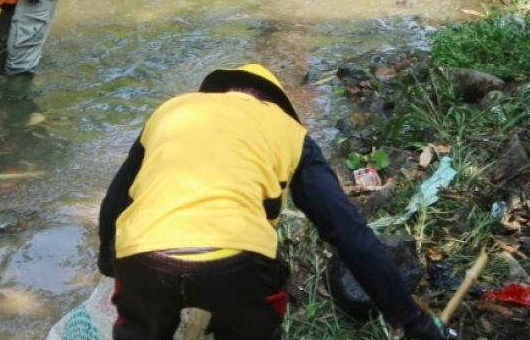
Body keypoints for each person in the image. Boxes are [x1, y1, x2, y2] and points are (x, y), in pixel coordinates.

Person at [97, 63, 448, 340]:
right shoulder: (289, 132)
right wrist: (412, 318)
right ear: (274, 102)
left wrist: (108, 262)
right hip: (238, 262)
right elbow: (348, 233)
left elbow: (115, 199)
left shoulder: (172, 110)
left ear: (220, 91)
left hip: (142, 256)